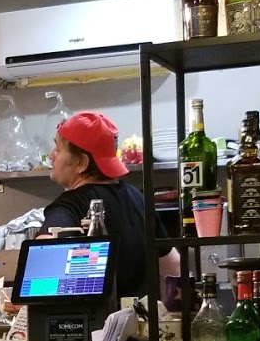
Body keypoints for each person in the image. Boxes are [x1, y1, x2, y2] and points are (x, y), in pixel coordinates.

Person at [42, 111, 181, 301]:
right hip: (143, 316)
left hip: (97, 319)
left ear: (81, 163)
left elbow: (44, 253)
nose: (51, 155)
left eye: (58, 149)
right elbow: (173, 267)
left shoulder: (70, 204)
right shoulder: (138, 198)